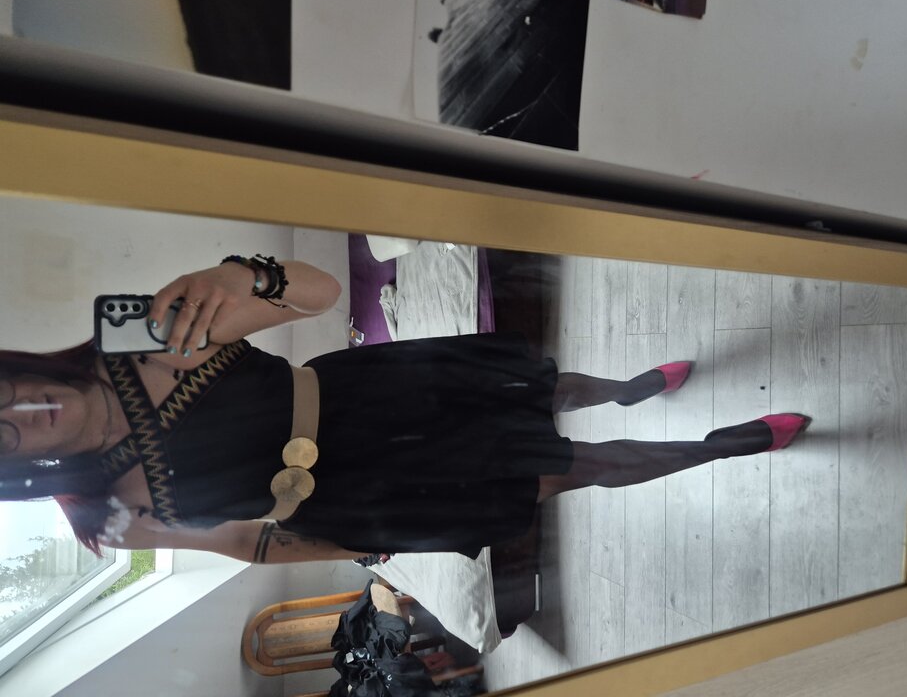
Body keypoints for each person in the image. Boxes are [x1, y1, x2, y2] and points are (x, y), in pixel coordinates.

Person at [0, 255, 810, 564]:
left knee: (542, 388)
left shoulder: (141, 337)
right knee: (574, 470)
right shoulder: (105, 513)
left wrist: (244, 278)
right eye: (3, 435)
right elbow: (246, 544)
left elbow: (319, 294)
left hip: (362, 390)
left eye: (1, 393)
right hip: (366, 497)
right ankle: (720, 447)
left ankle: (628, 390)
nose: (28, 409)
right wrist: (360, 548)